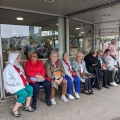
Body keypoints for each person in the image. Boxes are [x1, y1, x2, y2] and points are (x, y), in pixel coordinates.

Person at [3, 53, 34, 117]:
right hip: (13, 86)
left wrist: (24, 81)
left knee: (30, 88)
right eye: (17, 58)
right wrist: (17, 82)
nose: (18, 60)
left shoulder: (18, 66)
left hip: (22, 84)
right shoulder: (8, 68)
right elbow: (7, 80)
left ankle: (27, 106)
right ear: (12, 59)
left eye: (18, 58)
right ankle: (14, 110)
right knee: (24, 93)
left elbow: (22, 75)